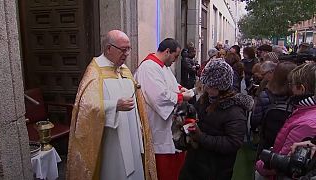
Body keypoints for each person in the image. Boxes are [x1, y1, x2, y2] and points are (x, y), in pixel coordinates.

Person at [66, 30, 157, 180]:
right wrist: (114, 105)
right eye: (123, 49)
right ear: (109, 48)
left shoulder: (125, 70)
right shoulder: (95, 72)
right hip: (110, 139)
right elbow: (85, 108)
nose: (127, 53)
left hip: (132, 135)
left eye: (129, 49)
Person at [179, 59, 254, 180]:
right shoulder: (206, 99)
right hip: (195, 163)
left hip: (215, 169)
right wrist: (186, 115)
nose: (206, 88)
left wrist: (201, 137)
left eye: (211, 86)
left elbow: (233, 143)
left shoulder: (235, 111)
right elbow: (198, 118)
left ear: (222, 86)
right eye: (206, 84)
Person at [135, 38, 194, 180]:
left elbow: (170, 84)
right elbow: (159, 97)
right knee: (164, 171)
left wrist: (181, 88)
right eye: (175, 56)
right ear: (167, 51)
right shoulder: (148, 68)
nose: (176, 60)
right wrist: (182, 97)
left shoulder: (162, 66)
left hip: (170, 126)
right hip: (158, 125)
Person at [256, 62, 316, 179]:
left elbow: (286, 160)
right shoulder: (302, 110)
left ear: (301, 88)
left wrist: (261, 165)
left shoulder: (307, 123)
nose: (290, 88)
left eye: (291, 84)